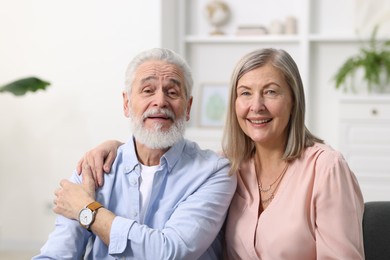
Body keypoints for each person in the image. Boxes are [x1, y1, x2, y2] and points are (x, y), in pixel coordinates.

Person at [80, 48, 365, 259]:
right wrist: (117, 147)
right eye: (245, 93)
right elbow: (152, 147)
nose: (257, 106)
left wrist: (89, 212)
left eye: (271, 92)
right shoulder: (227, 166)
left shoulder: (326, 168)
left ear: (294, 101)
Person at [33, 48, 236, 259]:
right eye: (148, 90)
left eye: (172, 92)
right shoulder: (93, 167)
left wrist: (87, 211)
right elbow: (57, 253)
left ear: (188, 107)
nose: (160, 101)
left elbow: (171, 252)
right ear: (127, 103)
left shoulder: (213, 172)